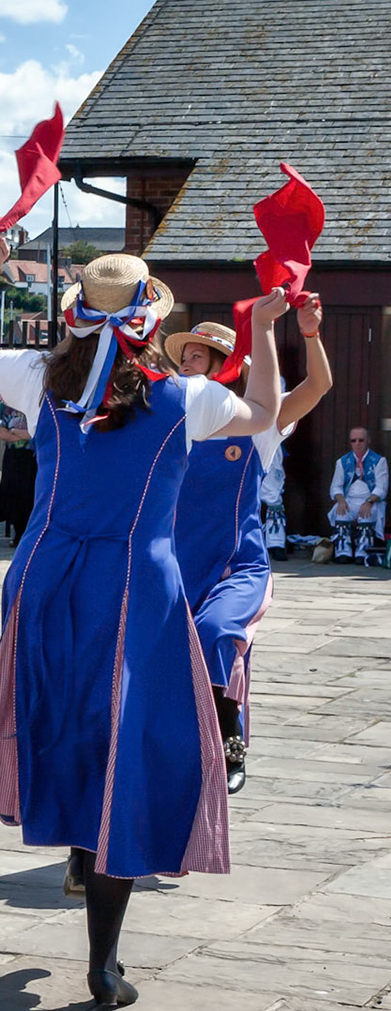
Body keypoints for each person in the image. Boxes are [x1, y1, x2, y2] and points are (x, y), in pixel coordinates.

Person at [0, 233, 285, 1008]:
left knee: (66, 725)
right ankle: (103, 961)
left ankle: (71, 845)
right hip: (135, 584)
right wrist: (261, 325)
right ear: (150, 319)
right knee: (133, 753)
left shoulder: (37, 378)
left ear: (76, 314)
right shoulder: (185, 398)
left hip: (45, 576)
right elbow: (265, 410)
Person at [167, 307, 329, 794]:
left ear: (227, 367)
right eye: (185, 356)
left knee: (216, 633)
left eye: (200, 356)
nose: (188, 363)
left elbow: (317, 386)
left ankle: (231, 737)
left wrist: (310, 333)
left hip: (236, 568)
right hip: (173, 569)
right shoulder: (167, 422)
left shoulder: (257, 423)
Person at [329, 425, 386, 566]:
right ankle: (343, 551)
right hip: (349, 500)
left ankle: (363, 551)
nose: (357, 444)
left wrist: (369, 502)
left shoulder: (379, 461)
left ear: (368, 441)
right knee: (340, 511)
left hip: (371, 500)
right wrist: (341, 500)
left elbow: (382, 488)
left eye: (361, 440)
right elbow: (336, 486)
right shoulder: (342, 462)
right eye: (353, 440)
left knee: (367, 513)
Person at [0, 403, 36, 545]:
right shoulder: (9, 410)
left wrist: (13, 431)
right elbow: (1, 433)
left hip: (30, 457)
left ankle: (28, 533)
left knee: (29, 495)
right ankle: (17, 532)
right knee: (13, 494)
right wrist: (21, 435)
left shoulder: (34, 410)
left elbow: (34, 433)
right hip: (12, 456)